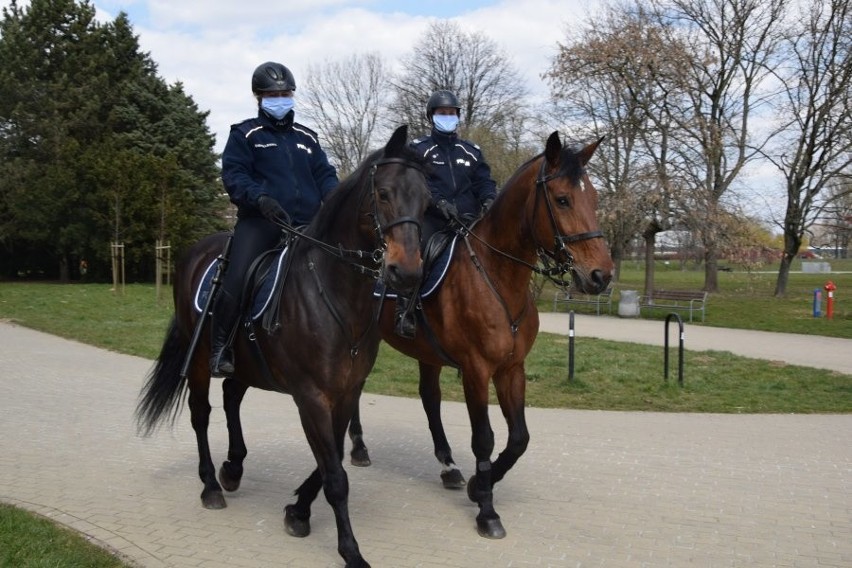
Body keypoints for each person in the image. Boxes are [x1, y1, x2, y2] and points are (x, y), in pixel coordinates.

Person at [209, 61, 339, 377]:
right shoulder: (245, 134)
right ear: (259, 96)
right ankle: (220, 347)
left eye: (285, 93)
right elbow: (235, 174)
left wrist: (335, 200)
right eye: (272, 94)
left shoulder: (308, 137)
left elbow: (325, 174)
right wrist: (260, 198)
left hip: (309, 225)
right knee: (237, 275)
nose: (280, 99)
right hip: (261, 222)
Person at [394, 89, 497, 338]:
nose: (448, 117)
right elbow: (419, 183)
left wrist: (490, 198)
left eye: (452, 113)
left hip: (469, 221)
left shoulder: (471, 151)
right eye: (442, 113)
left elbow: (483, 181)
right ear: (432, 117)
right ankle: (405, 309)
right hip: (434, 220)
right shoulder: (419, 149)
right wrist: (439, 203)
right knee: (416, 253)